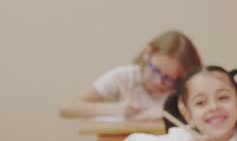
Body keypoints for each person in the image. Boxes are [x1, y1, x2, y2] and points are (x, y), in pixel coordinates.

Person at [59, 30, 201, 120]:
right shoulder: (123, 77)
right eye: (156, 71)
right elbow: (66, 108)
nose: (159, 82)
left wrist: (167, 113)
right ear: (148, 52)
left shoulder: (184, 87)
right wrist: (115, 110)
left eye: (169, 79)